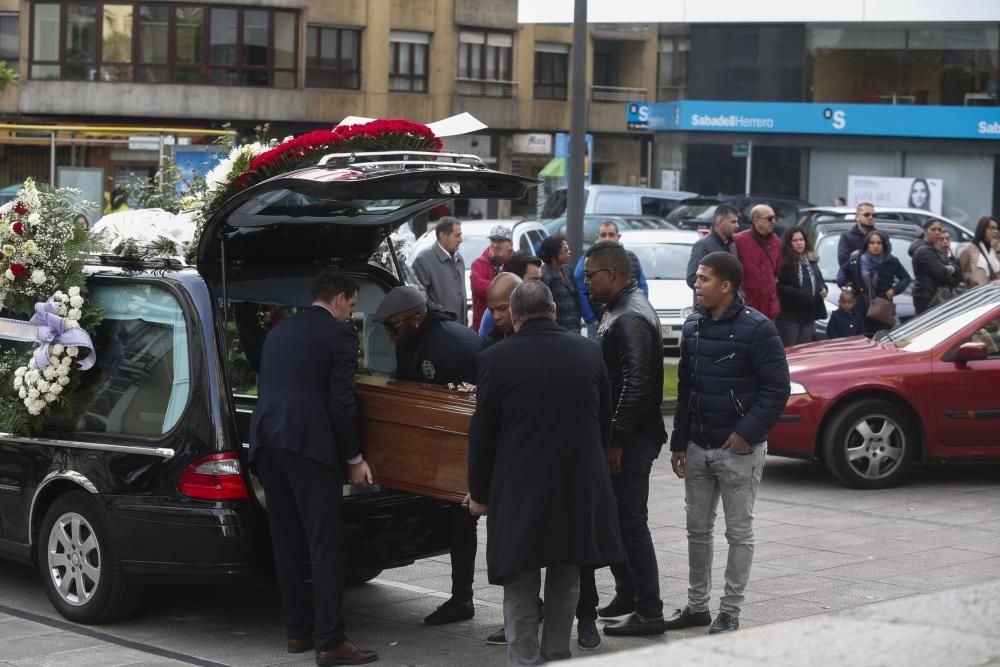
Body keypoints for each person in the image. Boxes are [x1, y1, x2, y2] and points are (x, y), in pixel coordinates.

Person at [467, 280, 624, 666]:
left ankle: (523, 660)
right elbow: (603, 422)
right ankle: (557, 655)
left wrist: (479, 493)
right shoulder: (588, 352)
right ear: (554, 310)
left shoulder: (496, 359)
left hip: (520, 489)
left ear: (515, 317)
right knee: (567, 575)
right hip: (577, 485)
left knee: (520, 581)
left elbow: (482, 434)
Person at [249, 269, 378, 666]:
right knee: (325, 543)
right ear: (339, 298)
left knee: (286, 539)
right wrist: (354, 459)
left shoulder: (280, 331)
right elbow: (341, 402)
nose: (350, 315)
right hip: (309, 444)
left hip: (268, 440)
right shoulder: (338, 334)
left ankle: (298, 631)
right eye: (352, 306)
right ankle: (330, 641)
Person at [667, 251, 789, 635]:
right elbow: (686, 388)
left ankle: (730, 611)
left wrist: (745, 434)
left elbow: (776, 389)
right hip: (699, 446)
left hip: (739, 450)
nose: (695, 284)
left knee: (739, 533)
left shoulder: (759, 329)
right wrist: (679, 441)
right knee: (696, 530)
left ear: (726, 286)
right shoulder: (693, 327)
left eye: (703, 279)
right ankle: (696, 606)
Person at [372, 286, 483, 627]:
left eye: (394, 327)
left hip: (474, 447)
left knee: (501, 522)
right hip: (439, 450)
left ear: (416, 320)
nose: (390, 336)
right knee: (458, 521)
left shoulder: (456, 345)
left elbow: (479, 404)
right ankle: (462, 598)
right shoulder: (412, 342)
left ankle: (527, 602)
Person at [578, 241, 666, 641]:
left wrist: (615, 440)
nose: (585, 282)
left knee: (631, 522)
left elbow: (637, 384)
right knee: (617, 519)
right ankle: (629, 594)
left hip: (631, 439)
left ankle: (649, 612)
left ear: (611, 275)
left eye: (590, 274)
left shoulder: (629, 316)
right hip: (626, 435)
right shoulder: (619, 308)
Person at [575, 220, 650, 338]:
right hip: (598, 323)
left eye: (611, 235)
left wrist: (637, 312)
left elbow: (642, 288)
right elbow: (581, 291)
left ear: (618, 236)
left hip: (628, 320)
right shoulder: (586, 261)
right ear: (597, 237)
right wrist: (591, 319)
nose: (607, 238)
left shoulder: (631, 258)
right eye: (603, 235)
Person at [837, 230, 911, 336]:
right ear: (867, 244)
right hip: (860, 308)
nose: (875, 246)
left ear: (883, 245)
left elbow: (905, 278)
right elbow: (843, 270)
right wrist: (843, 284)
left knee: (881, 339)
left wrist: (894, 290)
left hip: (881, 308)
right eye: (872, 243)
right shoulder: (857, 260)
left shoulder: (891, 261)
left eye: (879, 243)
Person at [775, 227, 827, 347]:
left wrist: (824, 289)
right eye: (795, 240)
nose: (799, 243)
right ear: (789, 243)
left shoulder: (810, 260)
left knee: (804, 353)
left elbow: (819, 280)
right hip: (790, 316)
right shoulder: (784, 262)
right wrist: (797, 293)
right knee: (790, 352)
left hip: (809, 316)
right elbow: (777, 286)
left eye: (801, 239)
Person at [411, 217, 468, 325]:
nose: (461, 239)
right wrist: (441, 313)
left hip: (459, 328)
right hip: (439, 328)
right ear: (442, 236)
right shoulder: (424, 259)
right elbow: (419, 297)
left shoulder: (459, 259)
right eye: (457, 235)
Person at [478, 252, 542, 340]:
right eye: (534, 281)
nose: (540, 286)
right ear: (515, 281)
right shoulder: (491, 317)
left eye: (540, 280)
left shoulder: (542, 308)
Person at [733, 204, 781, 320]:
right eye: (769, 218)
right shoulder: (739, 240)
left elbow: (776, 271)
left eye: (775, 218)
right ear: (756, 220)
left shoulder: (777, 242)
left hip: (769, 308)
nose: (773, 222)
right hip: (747, 307)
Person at [686, 204, 740, 296]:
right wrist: (716, 293)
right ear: (721, 222)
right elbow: (692, 278)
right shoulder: (703, 245)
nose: (737, 225)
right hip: (709, 308)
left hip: (730, 308)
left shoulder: (732, 246)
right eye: (733, 222)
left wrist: (739, 296)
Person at [908, 219, 960, 315]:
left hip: (931, 295)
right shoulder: (925, 251)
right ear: (925, 231)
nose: (937, 233)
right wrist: (952, 273)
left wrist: (952, 269)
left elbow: (954, 270)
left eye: (939, 230)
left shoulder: (933, 249)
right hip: (927, 297)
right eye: (933, 229)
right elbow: (942, 274)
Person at [471, 225, 515, 331]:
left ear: (510, 245)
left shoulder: (517, 262)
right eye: (492, 240)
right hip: (484, 326)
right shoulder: (478, 264)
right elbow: (479, 287)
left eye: (500, 241)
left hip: (512, 324)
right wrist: (509, 288)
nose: (495, 245)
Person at [539, 235, 582, 332]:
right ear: (554, 253)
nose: (569, 252)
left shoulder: (568, 271)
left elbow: (576, 297)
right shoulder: (544, 275)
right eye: (565, 250)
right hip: (557, 331)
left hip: (574, 328)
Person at [482, 273, 523, 350]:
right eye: (491, 310)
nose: (496, 316)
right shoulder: (489, 346)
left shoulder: (540, 340)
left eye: (502, 308)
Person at [958, 216, 1000, 287]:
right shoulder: (970, 248)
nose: (994, 232)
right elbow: (962, 269)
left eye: (996, 229)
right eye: (991, 228)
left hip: (996, 294)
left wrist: (997, 250)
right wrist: (970, 280)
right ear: (983, 229)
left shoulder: (998, 247)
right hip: (979, 292)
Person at [837, 202, 877, 267]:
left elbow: (885, 259)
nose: (871, 217)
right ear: (857, 217)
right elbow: (843, 262)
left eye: (873, 215)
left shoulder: (882, 236)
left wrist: (857, 254)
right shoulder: (846, 237)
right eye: (866, 214)